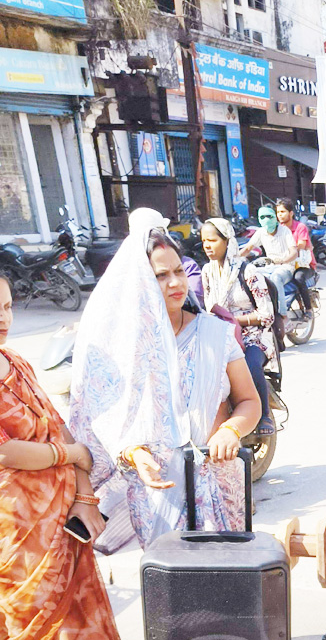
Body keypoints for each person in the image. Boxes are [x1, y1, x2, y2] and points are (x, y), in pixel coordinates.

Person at [0, 275, 140, 640]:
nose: (3, 318)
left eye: (7, 306)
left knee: (81, 605)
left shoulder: (15, 363)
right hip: (16, 522)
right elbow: (8, 452)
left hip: (62, 509)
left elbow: (60, 428)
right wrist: (70, 457)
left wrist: (84, 495)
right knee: (39, 615)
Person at [69, 212, 262, 548]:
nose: (175, 282)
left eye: (178, 271)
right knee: (171, 589)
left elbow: (249, 401)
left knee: (226, 586)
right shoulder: (124, 351)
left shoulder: (213, 333)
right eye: (160, 275)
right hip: (156, 494)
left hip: (218, 483)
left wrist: (231, 430)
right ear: (139, 283)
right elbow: (101, 424)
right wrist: (131, 454)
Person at [201, 218, 276, 438]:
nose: (207, 245)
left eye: (212, 240)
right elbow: (208, 307)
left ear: (227, 241)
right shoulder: (207, 272)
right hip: (222, 338)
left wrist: (234, 320)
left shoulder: (248, 271)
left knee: (250, 365)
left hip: (254, 338)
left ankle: (263, 415)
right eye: (204, 240)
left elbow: (267, 314)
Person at [240, 206, 298, 313]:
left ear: (275, 217)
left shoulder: (285, 231)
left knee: (276, 278)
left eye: (269, 216)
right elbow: (248, 248)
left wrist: (282, 260)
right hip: (269, 267)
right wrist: (233, 258)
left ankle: (282, 314)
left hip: (286, 267)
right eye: (263, 217)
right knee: (251, 276)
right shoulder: (261, 232)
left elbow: (294, 253)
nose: (266, 220)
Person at [275, 198, 316, 313]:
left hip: (303, 266)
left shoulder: (300, 227)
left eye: (282, 212)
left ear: (291, 213)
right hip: (286, 264)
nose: (280, 215)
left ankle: (308, 309)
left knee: (298, 278)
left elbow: (301, 245)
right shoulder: (278, 229)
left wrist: (289, 253)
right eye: (278, 212)